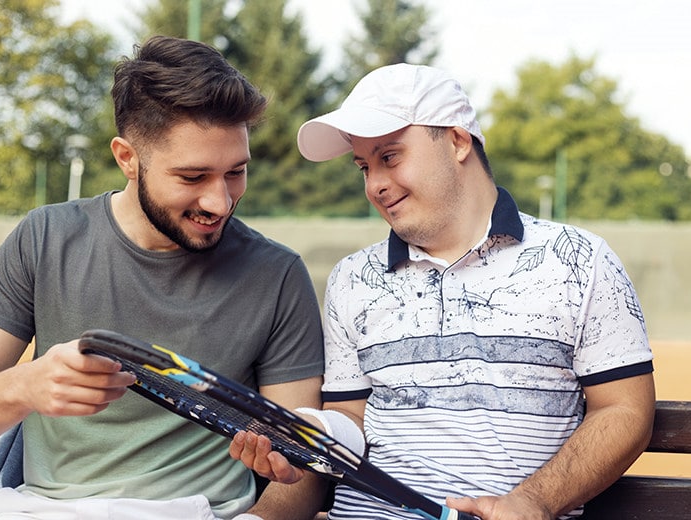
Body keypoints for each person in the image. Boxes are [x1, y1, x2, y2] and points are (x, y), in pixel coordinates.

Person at [233, 63, 656, 520]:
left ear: (457, 141)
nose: (374, 184)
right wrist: (310, 431)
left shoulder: (580, 258)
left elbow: (624, 411)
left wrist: (534, 500)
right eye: (363, 165)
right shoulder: (351, 278)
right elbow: (353, 418)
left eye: (390, 156)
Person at [0, 35, 328, 520]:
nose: (220, 201)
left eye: (236, 172)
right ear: (127, 158)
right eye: (193, 178)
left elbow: (306, 471)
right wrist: (21, 388)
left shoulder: (276, 274)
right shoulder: (44, 238)